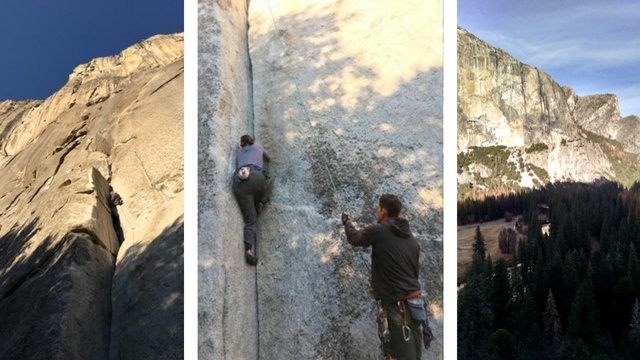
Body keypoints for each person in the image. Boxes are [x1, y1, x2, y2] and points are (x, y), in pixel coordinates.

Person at [342, 194, 432, 360]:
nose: (377, 212)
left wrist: (347, 223)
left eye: (378, 208)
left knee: (399, 355)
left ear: (383, 211)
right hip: (416, 307)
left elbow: (354, 238)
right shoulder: (411, 239)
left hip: (397, 308)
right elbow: (410, 273)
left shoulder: (378, 231)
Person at [233, 134, 273, 265]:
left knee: (250, 220)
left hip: (239, 182)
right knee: (270, 180)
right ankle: (262, 201)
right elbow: (268, 159)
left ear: (242, 144)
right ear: (252, 141)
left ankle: (249, 251)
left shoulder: (239, 151)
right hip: (256, 176)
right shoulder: (257, 146)